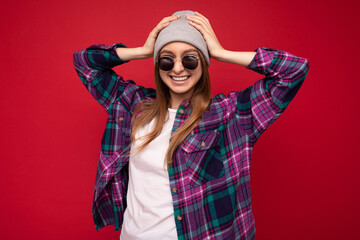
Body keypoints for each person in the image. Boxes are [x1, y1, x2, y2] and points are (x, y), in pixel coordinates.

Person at [73, 10, 309, 240]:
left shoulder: (232, 114)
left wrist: (222, 53)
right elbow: (85, 64)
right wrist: (143, 50)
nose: (177, 68)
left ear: (204, 63)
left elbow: (293, 71)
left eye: (190, 58)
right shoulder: (133, 105)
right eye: (166, 59)